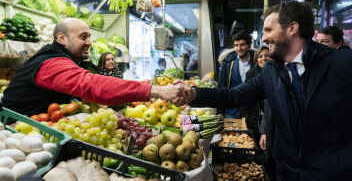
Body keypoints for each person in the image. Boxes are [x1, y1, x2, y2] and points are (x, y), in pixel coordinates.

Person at [174, 0, 352, 180]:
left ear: (292, 28)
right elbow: (233, 95)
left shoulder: (342, 63)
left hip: (334, 172)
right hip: (288, 173)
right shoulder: (271, 71)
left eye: (268, 30)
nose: (264, 38)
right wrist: (194, 93)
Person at [1, 18, 192, 118]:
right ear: (61, 38)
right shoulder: (50, 63)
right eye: (83, 37)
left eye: (89, 36)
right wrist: (156, 90)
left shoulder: (59, 58)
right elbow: (91, 84)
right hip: (16, 132)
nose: (89, 42)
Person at [217, 31, 255, 118]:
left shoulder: (257, 62)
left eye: (242, 45)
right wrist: (220, 111)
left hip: (252, 111)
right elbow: (221, 86)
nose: (239, 48)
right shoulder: (227, 63)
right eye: (236, 45)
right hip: (232, 111)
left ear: (249, 45)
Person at [239, 46, 270, 149]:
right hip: (255, 118)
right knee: (257, 147)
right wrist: (243, 117)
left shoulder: (275, 73)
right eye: (260, 56)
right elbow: (244, 96)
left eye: (267, 55)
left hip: (270, 118)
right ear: (256, 59)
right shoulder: (251, 74)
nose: (264, 58)